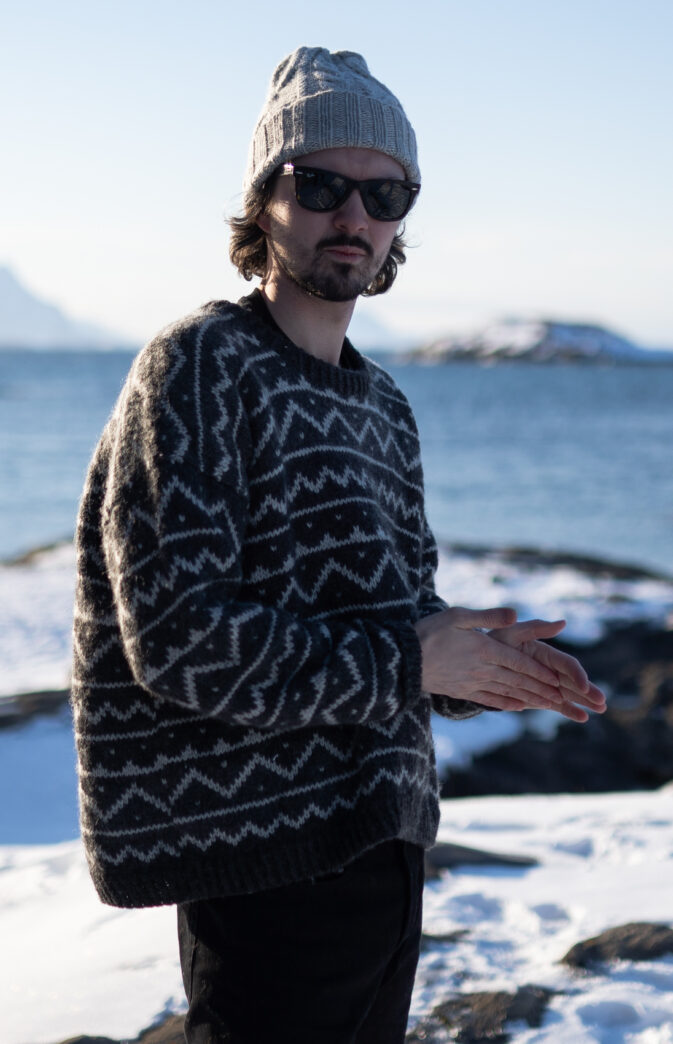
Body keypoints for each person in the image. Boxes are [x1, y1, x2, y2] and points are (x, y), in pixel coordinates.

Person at [71, 46, 606, 1044]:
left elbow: (398, 616)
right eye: (320, 186)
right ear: (264, 200)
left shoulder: (382, 403)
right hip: (262, 862)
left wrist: (480, 666)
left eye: (384, 194)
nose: (353, 216)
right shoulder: (199, 366)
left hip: (383, 842)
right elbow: (180, 641)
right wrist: (413, 660)